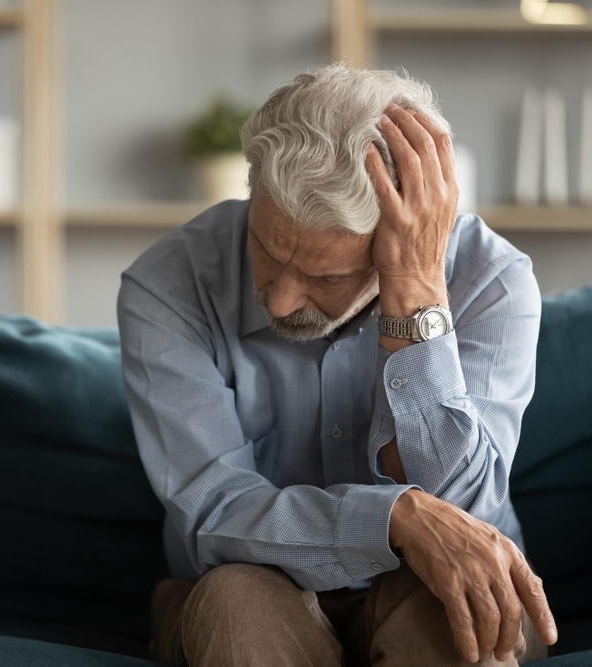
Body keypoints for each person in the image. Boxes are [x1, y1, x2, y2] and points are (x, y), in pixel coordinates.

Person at [117, 64, 558, 667]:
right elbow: (214, 512)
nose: (278, 301)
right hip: (242, 584)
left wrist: (418, 296)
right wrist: (391, 517)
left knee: (451, 622)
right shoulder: (168, 284)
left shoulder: (493, 282)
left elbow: (465, 514)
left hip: (436, 588)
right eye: (267, 252)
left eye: (326, 277)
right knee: (236, 606)